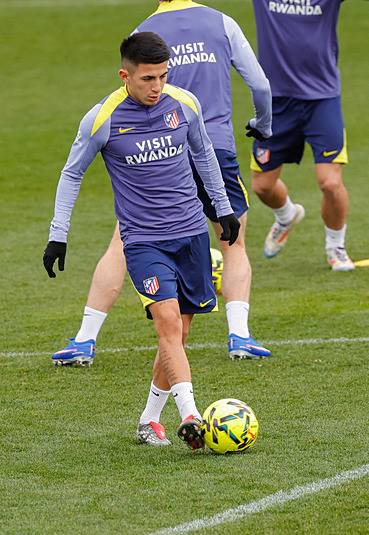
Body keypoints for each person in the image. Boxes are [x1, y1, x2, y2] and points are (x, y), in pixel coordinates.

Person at [50, 0, 274, 369]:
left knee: (125, 240)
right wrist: (263, 125)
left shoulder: (143, 31)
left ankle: (85, 339)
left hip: (155, 144)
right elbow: (260, 84)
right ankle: (240, 336)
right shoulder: (222, 22)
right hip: (212, 145)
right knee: (233, 241)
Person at [43, 31, 239, 450]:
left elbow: (204, 153)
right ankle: (191, 416)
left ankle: (149, 420)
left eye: (163, 77)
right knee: (167, 323)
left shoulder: (184, 104)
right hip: (144, 240)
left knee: (179, 337)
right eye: (148, 78)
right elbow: (71, 173)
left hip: (190, 233)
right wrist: (58, 236)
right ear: (125, 75)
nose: (157, 87)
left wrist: (221, 210)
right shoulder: (103, 118)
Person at [249, 0, 369, 271]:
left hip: (322, 98)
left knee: (330, 183)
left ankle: (336, 247)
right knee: (262, 185)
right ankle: (286, 215)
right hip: (277, 101)